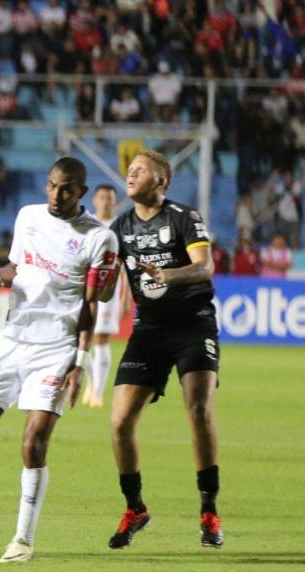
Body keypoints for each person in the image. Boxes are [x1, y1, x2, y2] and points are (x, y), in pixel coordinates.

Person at [0, 157, 119, 563]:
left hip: (56, 348)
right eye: (53, 186)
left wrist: (81, 359)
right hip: (12, 338)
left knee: (33, 443)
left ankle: (22, 539)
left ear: (82, 193)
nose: (57, 195)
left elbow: (93, 303)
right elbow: (18, 267)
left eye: (67, 189)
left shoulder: (98, 238)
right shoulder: (28, 216)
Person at [107, 150, 224, 550]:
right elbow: (109, 278)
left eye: (140, 170)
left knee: (198, 408)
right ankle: (135, 507)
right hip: (149, 329)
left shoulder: (183, 217)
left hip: (193, 323)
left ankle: (209, 509)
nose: (131, 173)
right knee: (120, 421)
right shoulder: (119, 226)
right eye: (130, 169)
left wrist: (168, 275)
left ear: (161, 181)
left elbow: (204, 267)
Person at [83, 184, 130, 408]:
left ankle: (98, 391)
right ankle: (91, 383)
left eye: (109, 198)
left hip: (110, 288)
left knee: (101, 337)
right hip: (85, 286)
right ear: (94, 200)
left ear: (115, 201)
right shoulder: (87, 224)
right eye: (101, 197)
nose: (105, 201)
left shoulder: (121, 225)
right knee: (82, 337)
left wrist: (125, 298)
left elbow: (125, 265)